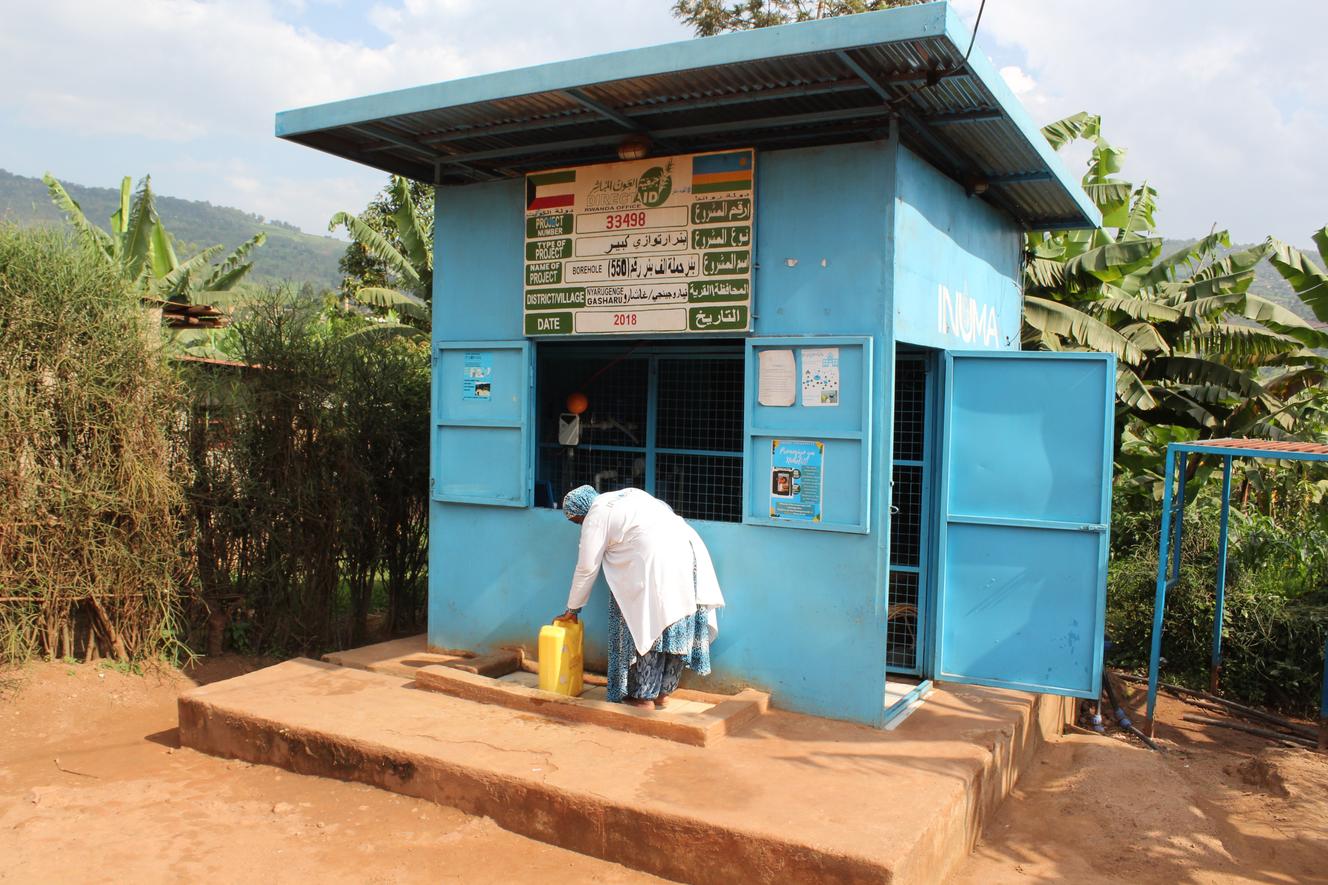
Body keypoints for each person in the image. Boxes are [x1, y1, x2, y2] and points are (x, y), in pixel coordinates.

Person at [559, 485, 724, 709]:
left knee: (646, 628)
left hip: (654, 563)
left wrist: (572, 609)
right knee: (674, 624)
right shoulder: (629, 494)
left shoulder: (596, 515)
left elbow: (587, 567)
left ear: (580, 512)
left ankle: (643, 697)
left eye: (577, 521)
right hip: (688, 551)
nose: (580, 525)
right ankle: (663, 693)